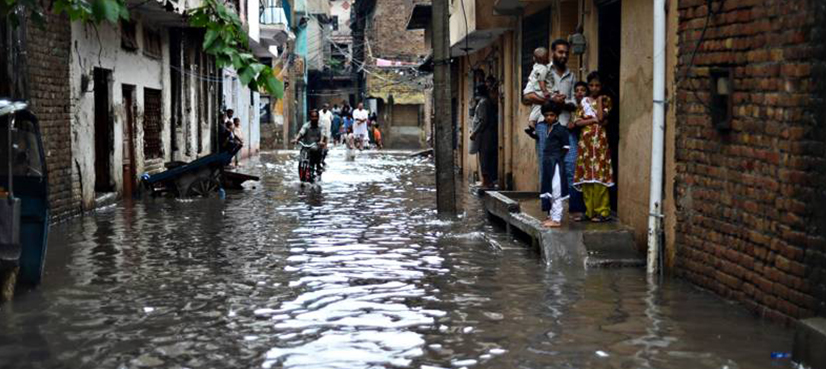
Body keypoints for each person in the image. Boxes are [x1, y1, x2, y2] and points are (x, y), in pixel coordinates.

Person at [547, 38, 586, 222]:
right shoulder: (544, 72)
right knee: (550, 169)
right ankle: (552, 211)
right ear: (553, 52)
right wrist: (552, 100)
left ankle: (575, 208)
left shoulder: (571, 76)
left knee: (571, 166)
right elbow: (531, 96)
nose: (563, 55)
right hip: (549, 128)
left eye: (565, 53)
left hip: (567, 127)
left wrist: (565, 103)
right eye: (560, 52)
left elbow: (575, 102)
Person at [573, 72, 614, 222]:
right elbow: (577, 122)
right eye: (591, 85)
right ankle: (589, 212)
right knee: (587, 178)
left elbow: (602, 118)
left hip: (600, 142)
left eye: (597, 85)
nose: (594, 88)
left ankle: (603, 211)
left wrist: (600, 101)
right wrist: (592, 121)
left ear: (601, 86)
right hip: (586, 143)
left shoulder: (606, 100)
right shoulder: (583, 101)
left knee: (599, 177)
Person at [539, 101, 570, 228]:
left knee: (556, 190)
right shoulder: (548, 129)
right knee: (550, 190)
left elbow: (566, 147)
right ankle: (552, 216)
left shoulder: (561, 130)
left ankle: (556, 219)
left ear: (556, 115)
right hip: (547, 163)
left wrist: (557, 158)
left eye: (551, 115)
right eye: (546, 115)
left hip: (556, 163)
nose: (549, 118)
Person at [469, 84, 498, 188]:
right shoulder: (488, 102)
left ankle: (486, 182)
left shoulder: (483, 103)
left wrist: (474, 133)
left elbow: (483, 120)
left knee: (484, 157)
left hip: (485, 134)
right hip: (490, 133)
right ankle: (489, 181)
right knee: (488, 157)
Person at [522, 47, 552, 138]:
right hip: (538, 90)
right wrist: (545, 91)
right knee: (539, 106)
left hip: (534, 90)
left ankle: (531, 123)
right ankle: (532, 125)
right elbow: (541, 81)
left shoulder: (535, 67)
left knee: (536, 107)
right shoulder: (543, 68)